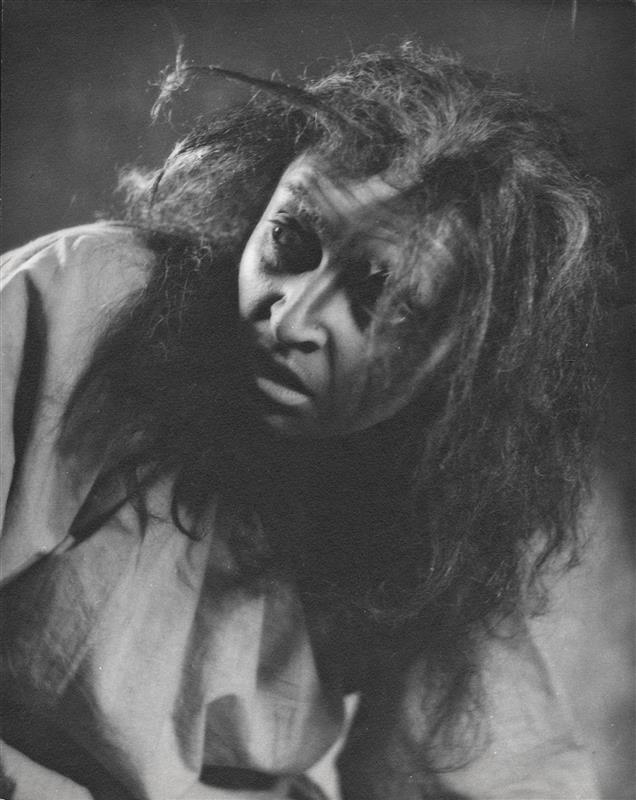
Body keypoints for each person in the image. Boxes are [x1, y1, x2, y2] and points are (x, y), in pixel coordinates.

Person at [0, 43, 615, 799]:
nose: (289, 321)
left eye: (378, 301)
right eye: (290, 241)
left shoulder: (443, 494)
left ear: (459, 366)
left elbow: (505, 775)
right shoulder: (80, 297)